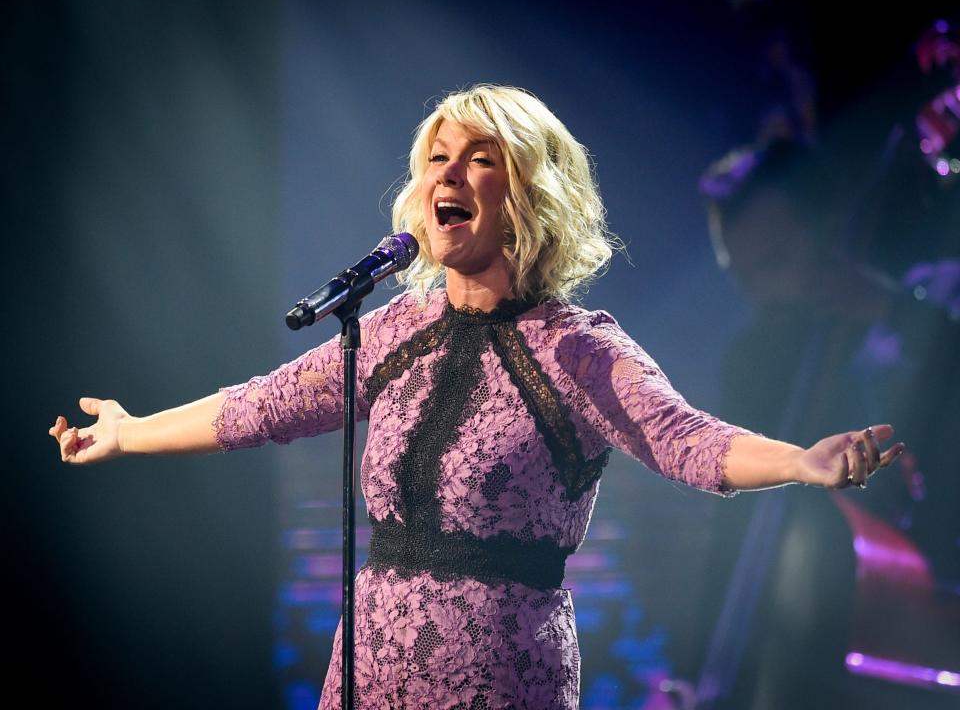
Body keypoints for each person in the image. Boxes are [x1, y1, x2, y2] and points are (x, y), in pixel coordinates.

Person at [49, 85, 904, 708]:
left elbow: (687, 440)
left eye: (479, 159)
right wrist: (129, 434)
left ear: (528, 194)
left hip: (502, 678)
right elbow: (254, 408)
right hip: (369, 670)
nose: (446, 175)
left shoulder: (576, 347)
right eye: (435, 160)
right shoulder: (387, 332)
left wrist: (802, 460)